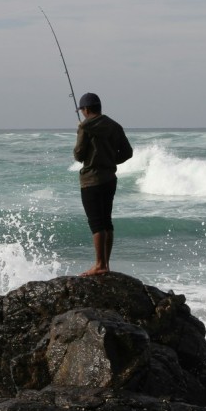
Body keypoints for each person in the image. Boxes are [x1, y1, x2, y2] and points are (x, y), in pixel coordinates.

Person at [73, 92, 133, 276]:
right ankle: (105, 264)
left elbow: (78, 155)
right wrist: (110, 160)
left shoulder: (85, 127)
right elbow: (127, 152)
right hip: (109, 179)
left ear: (87, 109)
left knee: (96, 223)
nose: (82, 113)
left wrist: (80, 130)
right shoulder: (115, 126)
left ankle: (99, 264)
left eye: (82, 109)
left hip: (91, 180)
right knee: (107, 222)